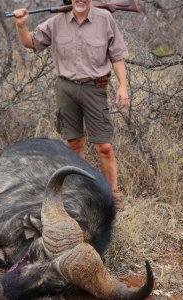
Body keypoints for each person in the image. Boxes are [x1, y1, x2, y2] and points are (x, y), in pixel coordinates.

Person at [13, 0, 129, 209]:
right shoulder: (57, 21)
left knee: (104, 146)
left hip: (95, 88)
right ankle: (79, 193)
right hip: (65, 88)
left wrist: (123, 85)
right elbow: (30, 42)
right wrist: (21, 25)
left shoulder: (105, 19)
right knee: (74, 144)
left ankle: (112, 198)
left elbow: (117, 55)